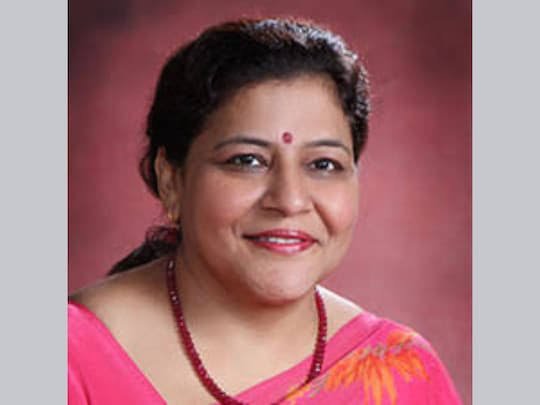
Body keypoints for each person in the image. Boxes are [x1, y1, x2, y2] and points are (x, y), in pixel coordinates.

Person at [68, 18, 462, 404]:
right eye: (247, 161)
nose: (290, 200)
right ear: (171, 180)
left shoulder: (403, 374)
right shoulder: (74, 357)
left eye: (323, 164)